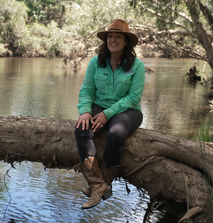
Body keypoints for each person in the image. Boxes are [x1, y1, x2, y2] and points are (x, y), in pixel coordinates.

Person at [74, 19, 145, 209]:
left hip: (128, 110)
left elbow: (133, 97)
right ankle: (98, 185)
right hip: (98, 106)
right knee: (81, 128)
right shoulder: (96, 62)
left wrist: (107, 113)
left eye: (118, 36)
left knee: (116, 134)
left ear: (126, 41)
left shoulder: (137, 66)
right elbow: (87, 90)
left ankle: (103, 182)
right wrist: (85, 112)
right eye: (110, 36)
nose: (113, 40)